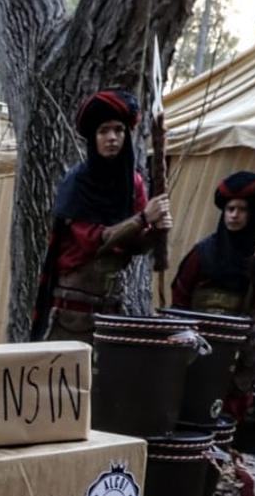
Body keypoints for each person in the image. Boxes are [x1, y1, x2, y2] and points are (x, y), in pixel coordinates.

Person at [31, 87, 171, 341]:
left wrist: (156, 232)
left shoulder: (134, 183)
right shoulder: (76, 183)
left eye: (118, 130)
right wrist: (142, 219)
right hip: (72, 310)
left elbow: (134, 244)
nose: (112, 138)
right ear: (93, 138)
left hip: (112, 307)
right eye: (103, 131)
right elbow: (96, 240)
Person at [171, 170, 255, 418]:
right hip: (201, 339)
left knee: (231, 405)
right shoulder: (203, 252)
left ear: (253, 213)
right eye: (230, 209)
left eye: (242, 210)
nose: (234, 215)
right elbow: (180, 294)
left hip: (243, 343)